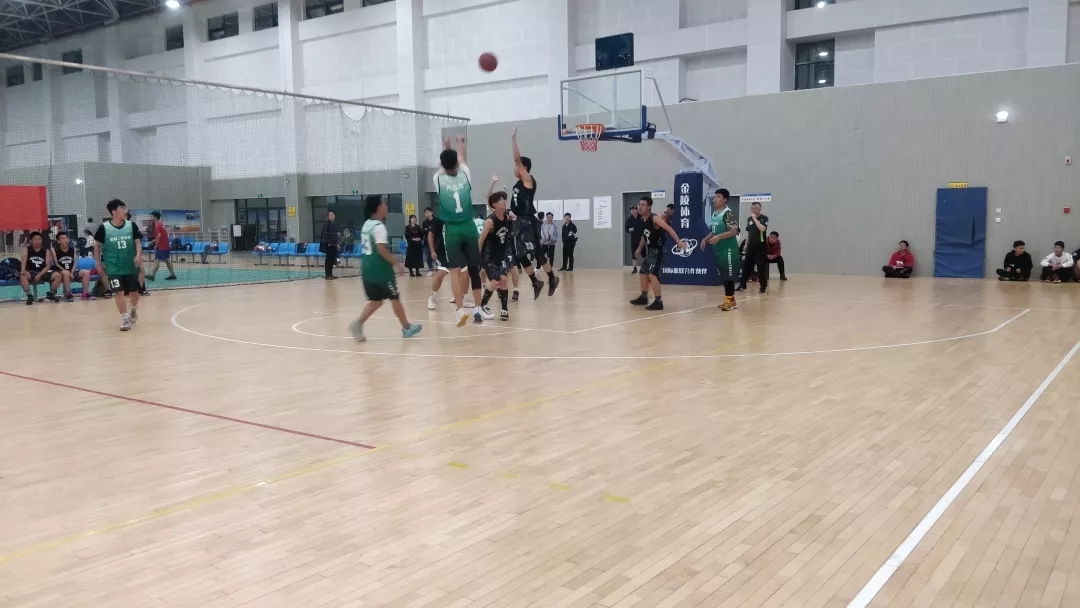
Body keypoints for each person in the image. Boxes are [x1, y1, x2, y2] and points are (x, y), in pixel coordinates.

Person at [349, 195, 422, 341]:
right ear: (378, 208)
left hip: (367, 269)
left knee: (376, 301)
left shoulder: (366, 225)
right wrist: (397, 263)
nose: (387, 207)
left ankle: (358, 324)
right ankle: (406, 328)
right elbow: (381, 250)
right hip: (380, 270)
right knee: (394, 297)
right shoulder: (379, 227)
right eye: (384, 204)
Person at [435, 134, 484, 326]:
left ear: (442, 163)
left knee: (455, 271)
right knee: (474, 269)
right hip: (468, 226)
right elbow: (461, 159)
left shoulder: (438, 179)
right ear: (456, 163)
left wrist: (446, 148)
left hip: (452, 230)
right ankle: (478, 309)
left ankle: (459, 310)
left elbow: (445, 163)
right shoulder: (465, 174)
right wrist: (459, 143)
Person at [508, 128, 559, 298]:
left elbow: (517, 158)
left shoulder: (528, 180)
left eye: (517, 166)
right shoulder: (517, 184)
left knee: (534, 253)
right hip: (520, 221)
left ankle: (550, 278)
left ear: (524, 168)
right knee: (522, 255)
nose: (514, 168)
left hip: (528, 222)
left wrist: (513, 139)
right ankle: (539, 281)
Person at [630, 196, 688, 311]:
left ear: (649, 207)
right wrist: (639, 248)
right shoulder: (643, 220)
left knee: (653, 275)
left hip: (657, 251)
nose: (640, 207)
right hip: (649, 251)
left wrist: (678, 241)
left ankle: (658, 302)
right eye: (639, 205)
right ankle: (643, 297)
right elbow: (645, 235)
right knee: (643, 272)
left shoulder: (654, 218)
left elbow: (669, 228)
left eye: (643, 205)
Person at [94, 199, 143, 331]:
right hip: (113, 267)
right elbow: (97, 245)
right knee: (118, 292)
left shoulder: (131, 225)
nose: (125, 211)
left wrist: (138, 255)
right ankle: (124, 318)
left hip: (130, 266)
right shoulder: (104, 228)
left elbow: (138, 242)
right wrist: (98, 263)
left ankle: (133, 309)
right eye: (122, 208)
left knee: (134, 294)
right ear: (114, 211)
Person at [477, 192, 515, 322]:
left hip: (502, 254)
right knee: (495, 281)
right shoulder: (490, 221)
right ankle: (482, 305)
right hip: (489, 256)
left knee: (503, 279)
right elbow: (481, 240)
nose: (504, 201)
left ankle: (504, 310)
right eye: (500, 200)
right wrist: (477, 257)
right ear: (494, 204)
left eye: (504, 199)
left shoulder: (507, 218)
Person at [702, 189, 741, 311]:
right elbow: (714, 231)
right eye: (715, 196)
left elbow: (733, 231)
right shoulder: (714, 214)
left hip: (728, 249)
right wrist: (705, 239)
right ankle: (732, 301)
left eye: (718, 197)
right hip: (719, 250)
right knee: (724, 275)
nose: (715, 199)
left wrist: (719, 237)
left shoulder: (728, 213)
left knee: (729, 276)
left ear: (725, 199)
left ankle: (728, 301)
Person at [736, 201, 770, 294]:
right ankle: (742, 285)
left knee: (760, 266)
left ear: (760, 209)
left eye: (756, 208)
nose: (754, 210)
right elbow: (749, 232)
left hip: (760, 246)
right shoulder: (749, 219)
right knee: (746, 265)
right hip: (751, 246)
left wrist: (755, 219)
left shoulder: (764, 218)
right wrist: (746, 244)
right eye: (752, 208)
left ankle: (763, 287)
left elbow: (762, 229)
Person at [19, 231, 60, 305]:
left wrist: (39, 275)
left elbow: (48, 266)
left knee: (58, 275)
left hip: (43, 272)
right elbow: (23, 261)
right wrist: (23, 270)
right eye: (35, 239)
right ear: (31, 241)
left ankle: (51, 295)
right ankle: (29, 296)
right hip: (31, 272)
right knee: (22, 275)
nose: (38, 241)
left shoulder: (46, 251)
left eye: (39, 239)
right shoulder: (27, 249)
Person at [53, 231, 93, 301]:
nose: (65, 240)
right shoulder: (55, 251)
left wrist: (71, 272)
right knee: (66, 273)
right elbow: (56, 264)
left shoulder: (73, 249)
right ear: (58, 241)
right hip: (61, 272)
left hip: (72, 271)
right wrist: (67, 272)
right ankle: (68, 294)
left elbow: (75, 262)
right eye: (62, 238)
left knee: (86, 272)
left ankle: (85, 294)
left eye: (66, 238)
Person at [426, 209, 450, 310]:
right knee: (441, 272)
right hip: (441, 251)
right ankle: (431, 297)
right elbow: (430, 235)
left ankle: (461, 297)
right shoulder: (439, 221)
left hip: (454, 250)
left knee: (462, 273)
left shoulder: (457, 220)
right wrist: (432, 251)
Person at [146, 211, 177, 281]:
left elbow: (159, 235)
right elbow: (161, 235)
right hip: (166, 246)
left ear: (155, 217)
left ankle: (152, 276)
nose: (150, 218)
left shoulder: (157, 225)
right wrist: (152, 242)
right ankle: (172, 275)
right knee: (167, 260)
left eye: (151, 216)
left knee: (157, 260)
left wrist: (156, 245)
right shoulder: (161, 224)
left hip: (161, 247)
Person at [319, 210, 340, 280]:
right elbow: (325, 236)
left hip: (334, 245)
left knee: (332, 260)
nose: (332, 215)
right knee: (328, 260)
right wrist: (329, 243)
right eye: (330, 215)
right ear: (328, 217)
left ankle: (331, 274)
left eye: (333, 214)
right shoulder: (326, 224)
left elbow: (337, 235)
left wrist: (337, 244)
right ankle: (327, 275)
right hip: (329, 245)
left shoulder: (335, 225)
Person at [625, 207, 642, 274]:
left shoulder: (641, 217)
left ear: (636, 210)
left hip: (642, 238)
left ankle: (645, 267)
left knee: (644, 253)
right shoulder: (630, 219)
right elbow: (626, 228)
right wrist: (629, 229)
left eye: (634, 210)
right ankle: (635, 268)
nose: (632, 211)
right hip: (634, 238)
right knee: (634, 253)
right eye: (631, 210)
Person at [421, 207, 437, 274]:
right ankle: (431, 270)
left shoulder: (436, 220)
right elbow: (424, 232)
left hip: (436, 241)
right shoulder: (425, 223)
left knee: (437, 255)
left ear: (432, 213)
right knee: (428, 256)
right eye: (426, 212)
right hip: (428, 242)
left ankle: (438, 268)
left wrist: (429, 230)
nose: (427, 213)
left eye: (428, 212)